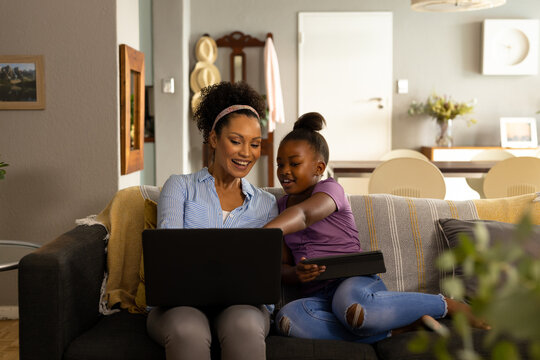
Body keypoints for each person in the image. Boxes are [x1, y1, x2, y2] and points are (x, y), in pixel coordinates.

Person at [263, 112, 490, 343]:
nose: (284, 171)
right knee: (288, 320)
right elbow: (282, 268)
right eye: (280, 164)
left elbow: (303, 215)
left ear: (319, 168)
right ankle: (399, 329)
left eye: (294, 163)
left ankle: (446, 305)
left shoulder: (330, 190)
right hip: (318, 297)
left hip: (352, 283)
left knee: (355, 308)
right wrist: (296, 274)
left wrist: (263, 234)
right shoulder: (280, 207)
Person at [147, 81, 278, 360]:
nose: (246, 153)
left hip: (244, 307)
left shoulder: (267, 205)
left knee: (243, 326)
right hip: (180, 306)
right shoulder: (180, 187)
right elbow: (168, 257)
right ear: (214, 139)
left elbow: (267, 274)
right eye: (236, 140)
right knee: (187, 331)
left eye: (255, 144)